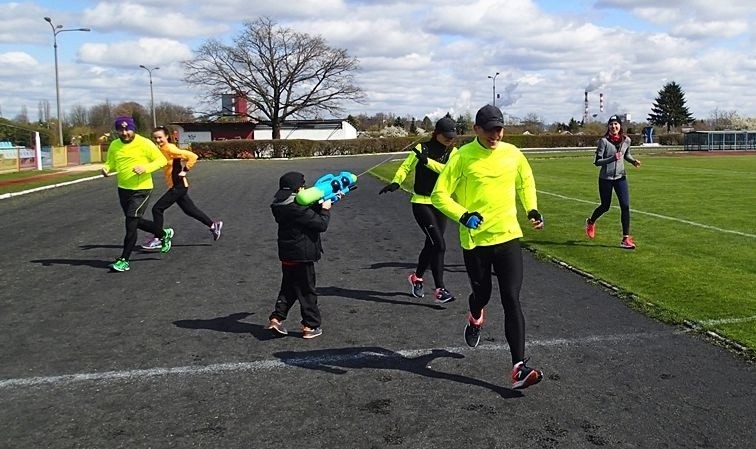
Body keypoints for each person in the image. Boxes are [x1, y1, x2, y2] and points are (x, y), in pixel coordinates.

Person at [431, 104, 545, 390]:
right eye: (490, 129)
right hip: (476, 241)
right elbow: (438, 195)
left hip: (507, 236)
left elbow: (525, 182)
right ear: (476, 129)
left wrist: (531, 208)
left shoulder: (513, 154)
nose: (496, 134)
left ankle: (518, 367)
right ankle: (475, 315)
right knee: (482, 294)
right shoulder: (462, 157)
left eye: (500, 129)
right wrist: (464, 215)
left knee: (511, 298)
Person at [378, 116, 458, 304]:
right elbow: (406, 167)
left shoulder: (454, 153)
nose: (450, 139)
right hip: (421, 202)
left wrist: (427, 162)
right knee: (439, 244)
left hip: (441, 203)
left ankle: (417, 277)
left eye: (452, 136)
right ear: (437, 133)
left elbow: (448, 172)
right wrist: (396, 182)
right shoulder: (421, 148)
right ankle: (440, 289)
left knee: (431, 245)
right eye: (446, 135)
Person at [266, 171, 332, 339]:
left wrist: (318, 205)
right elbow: (320, 224)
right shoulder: (297, 209)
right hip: (302, 255)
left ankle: (276, 318)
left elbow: (304, 212)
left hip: (288, 254)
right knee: (307, 291)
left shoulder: (281, 205)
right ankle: (310, 326)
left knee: (288, 288)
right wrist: (325, 209)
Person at [101, 116, 168, 272]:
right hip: (123, 188)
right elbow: (110, 162)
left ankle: (124, 260)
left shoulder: (145, 143)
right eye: (121, 129)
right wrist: (106, 168)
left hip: (142, 189)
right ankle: (163, 233)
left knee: (130, 224)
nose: (124, 132)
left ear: (133, 129)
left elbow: (161, 160)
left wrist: (146, 168)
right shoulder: (114, 145)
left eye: (127, 129)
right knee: (135, 221)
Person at [140, 126, 223, 251]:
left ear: (167, 136)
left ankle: (158, 237)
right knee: (190, 210)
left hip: (178, 186)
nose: (158, 140)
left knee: (157, 209)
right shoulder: (161, 149)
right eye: (155, 138)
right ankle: (213, 225)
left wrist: (185, 170)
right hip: (177, 186)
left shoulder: (170, 148)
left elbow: (193, 156)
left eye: (160, 137)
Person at [584, 115, 641, 249]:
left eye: (616, 124)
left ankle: (625, 239)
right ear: (608, 127)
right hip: (606, 179)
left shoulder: (627, 140)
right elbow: (597, 162)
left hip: (621, 177)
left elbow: (626, 155)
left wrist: (633, 161)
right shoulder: (603, 142)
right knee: (605, 206)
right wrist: (612, 158)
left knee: (625, 206)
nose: (613, 127)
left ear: (620, 126)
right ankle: (591, 221)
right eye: (611, 124)